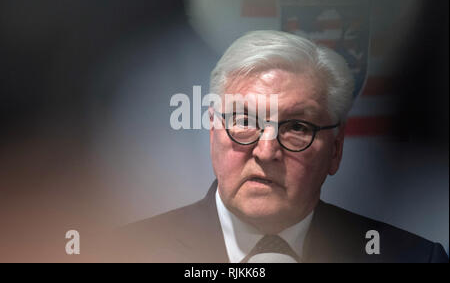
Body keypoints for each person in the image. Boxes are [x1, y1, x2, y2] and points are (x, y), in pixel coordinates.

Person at [112, 30, 448, 263]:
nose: (266, 151)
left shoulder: (414, 259)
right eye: (245, 121)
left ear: (335, 150)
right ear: (213, 129)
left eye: (297, 127)